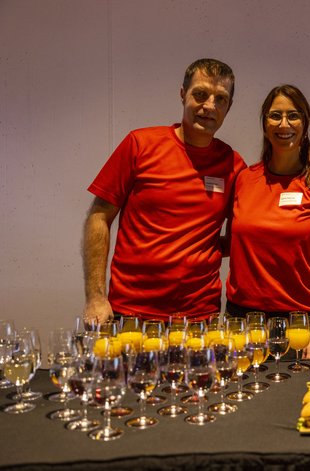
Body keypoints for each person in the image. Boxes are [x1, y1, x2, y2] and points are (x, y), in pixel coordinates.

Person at [82, 58, 246, 325]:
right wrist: (96, 297)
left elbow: (246, 232)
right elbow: (98, 217)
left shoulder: (233, 164)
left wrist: (204, 247)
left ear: (228, 107)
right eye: (200, 94)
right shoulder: (140, 144)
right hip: (132, 313)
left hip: (199, 317)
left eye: (220, 99)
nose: (209, 106)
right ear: (182, 94)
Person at [225, 84, 310, 359]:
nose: (284, 124)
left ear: (305, 123)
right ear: (265, 124)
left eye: (293, 115)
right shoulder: (243, 180)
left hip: (298, 324)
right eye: (275, 116)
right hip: (242, 322)